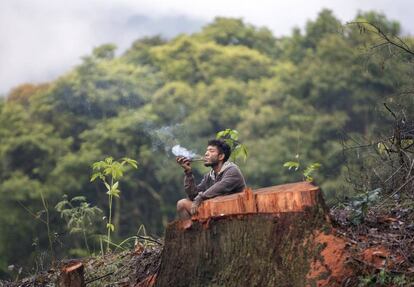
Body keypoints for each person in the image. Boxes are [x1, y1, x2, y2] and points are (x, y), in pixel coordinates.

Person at [176, 139, 246, 219]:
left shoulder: (232, 170)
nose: (206, 154)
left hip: (234, 213)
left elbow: (220, 187)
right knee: (182, 204)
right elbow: (193, 196)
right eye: (207, 151)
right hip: (216, 212)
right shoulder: (210, 176)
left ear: (221, 156)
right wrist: (188, 172)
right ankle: (192, 231)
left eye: (211, 151)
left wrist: (201, 197)